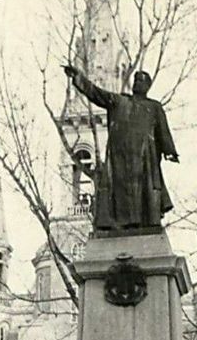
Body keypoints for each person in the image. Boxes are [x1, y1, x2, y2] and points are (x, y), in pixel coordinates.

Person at [63, 64, 179, 231]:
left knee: (144, 191)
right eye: (136, 80)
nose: (138, 83)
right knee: (120, 192)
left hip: (144, 157)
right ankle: (122, 224)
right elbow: (96, 93)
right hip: (120, 157)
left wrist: (169, 151)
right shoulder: (119, 101)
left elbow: (163, 131)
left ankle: (145, 224)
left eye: (142, 81)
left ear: (147, 86)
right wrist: (78, 78)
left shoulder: (154, 107)